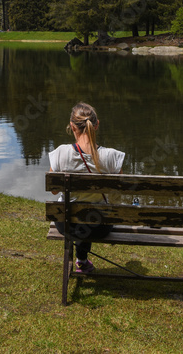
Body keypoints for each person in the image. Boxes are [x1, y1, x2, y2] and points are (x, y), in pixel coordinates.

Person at [47, 102, 125, 273]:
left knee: (78, 212)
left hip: (67, 224)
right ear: (96, 125)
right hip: (100, 227)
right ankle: (81, 260)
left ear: (72, 126)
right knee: (92, 213)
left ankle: (81, 260)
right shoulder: (112, 156)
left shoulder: (60, 153)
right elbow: (118, 193)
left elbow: (53, 190)